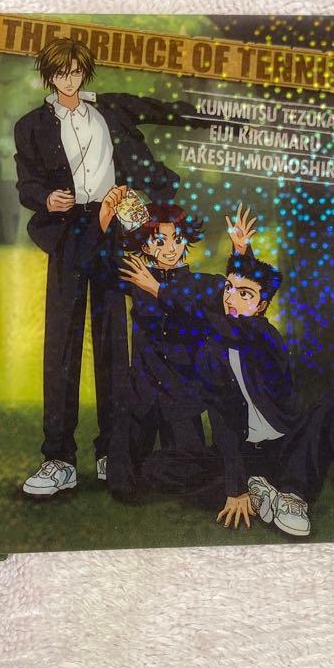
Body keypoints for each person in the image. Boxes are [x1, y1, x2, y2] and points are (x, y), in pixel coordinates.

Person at [13, 36, 213, 498]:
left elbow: (164, 111)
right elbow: (26, 183)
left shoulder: (110, 109)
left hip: (114, 229)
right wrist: (46, 197)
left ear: (84, 71)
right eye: (60, 72)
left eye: (75, 71)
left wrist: (220, 120)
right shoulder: (31, 126)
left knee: (113, 344)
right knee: (62, 345)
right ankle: (59, 458)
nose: (68, 79)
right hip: (68, 234)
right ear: (49, 75)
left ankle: (112, 450)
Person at [119, 250, 334, 538]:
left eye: (244, 294)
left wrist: (159, 290)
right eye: (228, 288)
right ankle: (256, 489)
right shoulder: (211, 351)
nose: (230, 298)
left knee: (331, 405)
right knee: (158, 467)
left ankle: (291, 497)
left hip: (284, 442)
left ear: (261, 306)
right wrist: (235, 487)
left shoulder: (264, 334)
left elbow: (219, 323)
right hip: (245, 451)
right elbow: (222, 419)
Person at [105, 193, 257, 500]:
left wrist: (241, 251)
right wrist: (108, 216)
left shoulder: (201, 284)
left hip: (181, 395)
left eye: (177, 239)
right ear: (146, 246)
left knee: (184, 472)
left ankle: (222, 470)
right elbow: (100, 263)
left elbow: (238, 291)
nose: (170, 248)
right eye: (160, 241)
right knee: (121, 484)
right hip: (142, 393)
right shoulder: (136, 277)